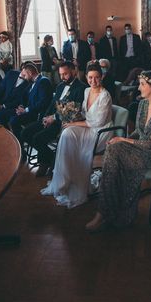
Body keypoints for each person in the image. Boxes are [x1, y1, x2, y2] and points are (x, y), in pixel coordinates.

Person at [85, 71, 151, 232]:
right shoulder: (142, 104)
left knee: (115, 153)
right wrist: (122, 140)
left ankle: (105, 212)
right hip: (143, 148)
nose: (139, 87)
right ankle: (109, 210)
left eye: (142, 84)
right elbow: (139, 133)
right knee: (113, 151)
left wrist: (122, 140)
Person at [41, 64, 113, 208]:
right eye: (90, 77)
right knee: (67, 134)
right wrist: (71, 117)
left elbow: (97, 121)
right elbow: (85, 114)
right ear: (86, 77)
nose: (93, 81)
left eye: (97, 77)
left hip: (100, 131)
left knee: (71, 132)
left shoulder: (105, 95)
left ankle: (78, 187)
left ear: (102, 77)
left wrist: (75, 124)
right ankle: (63, 181)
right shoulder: (86, 91)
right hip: (86, 125)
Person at [21, 62, 85, 177]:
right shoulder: (60, 86)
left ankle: (44, 163)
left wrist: (54, 118)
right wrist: (45, 117)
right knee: (25, 133)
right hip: (50, 119)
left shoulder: (81, 88)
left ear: (74, 71)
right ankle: (51, 159)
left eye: (65, 74)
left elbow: (73, 110)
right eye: (60, 74)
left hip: (64, 123)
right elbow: (52, 104)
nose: (62, 77)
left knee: (38, 138)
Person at [9, 62, 53, 137]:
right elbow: (24, 96)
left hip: (37, 114)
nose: (24, 78)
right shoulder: (31, 82)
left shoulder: (43, 81)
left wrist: (26, 110)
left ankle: (21, 142)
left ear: (30, 73)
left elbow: (43, 102)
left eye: (25, 75)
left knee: (14, 121)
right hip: (30, 111)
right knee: (9, 116)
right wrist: (22, 106)